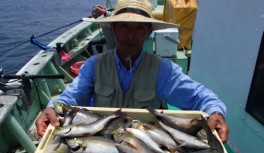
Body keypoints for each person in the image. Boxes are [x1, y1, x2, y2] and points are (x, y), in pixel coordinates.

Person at [36, 0, 229, 143]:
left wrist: (215, 112)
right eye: (124, 26)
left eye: (139, 28)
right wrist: (53, 108)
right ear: (113, 28)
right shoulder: (94, 65)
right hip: (101, 141)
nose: (130, 34)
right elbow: (72, 96)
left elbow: (200, 97)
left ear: (148, 32)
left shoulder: (162, 69)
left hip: (148, 143)